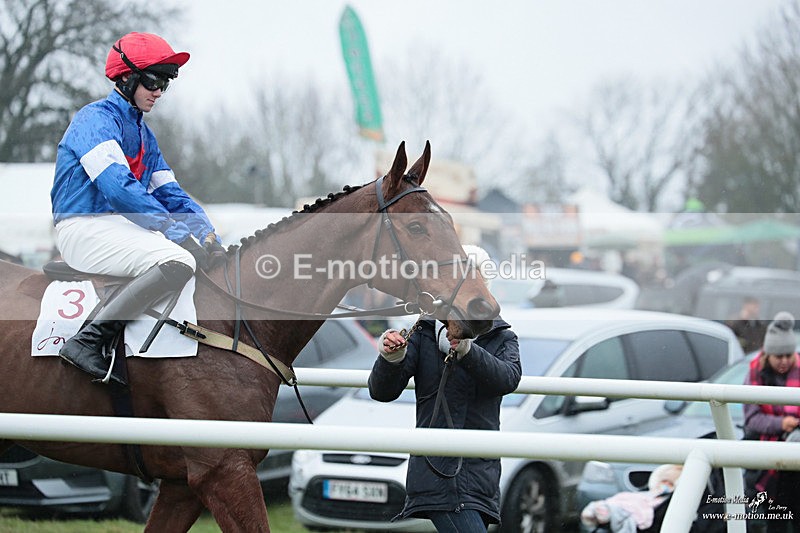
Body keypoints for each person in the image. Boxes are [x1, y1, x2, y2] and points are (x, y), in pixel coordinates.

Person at [51, 32, 225, 386]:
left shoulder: (145, 135)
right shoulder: (94, 120)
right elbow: (119, 189)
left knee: (190, 254)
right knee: (178, 260)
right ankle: (86, 342)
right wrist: (177, 233)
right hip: (83, 227)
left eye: (166, 83)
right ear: (126, 77)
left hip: (117, 228)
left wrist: (207, 235)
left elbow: (173, 195)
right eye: (154, 80)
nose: (159, 90)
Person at [368, 245, 522, 532]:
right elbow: (382, 391)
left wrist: (466, 351)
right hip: (435, 472)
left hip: (479, 474)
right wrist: (391, 357)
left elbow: (508, 379)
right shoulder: (423, 332)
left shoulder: (503, 337)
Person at [743, 311, 800, 532]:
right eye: (779, 356)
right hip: (765, 461)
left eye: (789, 355)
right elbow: (751, 418)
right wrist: (781, 424)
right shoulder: (754, 373)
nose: (785, 361)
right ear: (768, 355)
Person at [580, 463, 682, 533]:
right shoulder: (645, 493)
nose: (665, 486)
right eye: (664, 482)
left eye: (670, 484)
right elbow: (628, 500)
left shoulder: (667, 503)